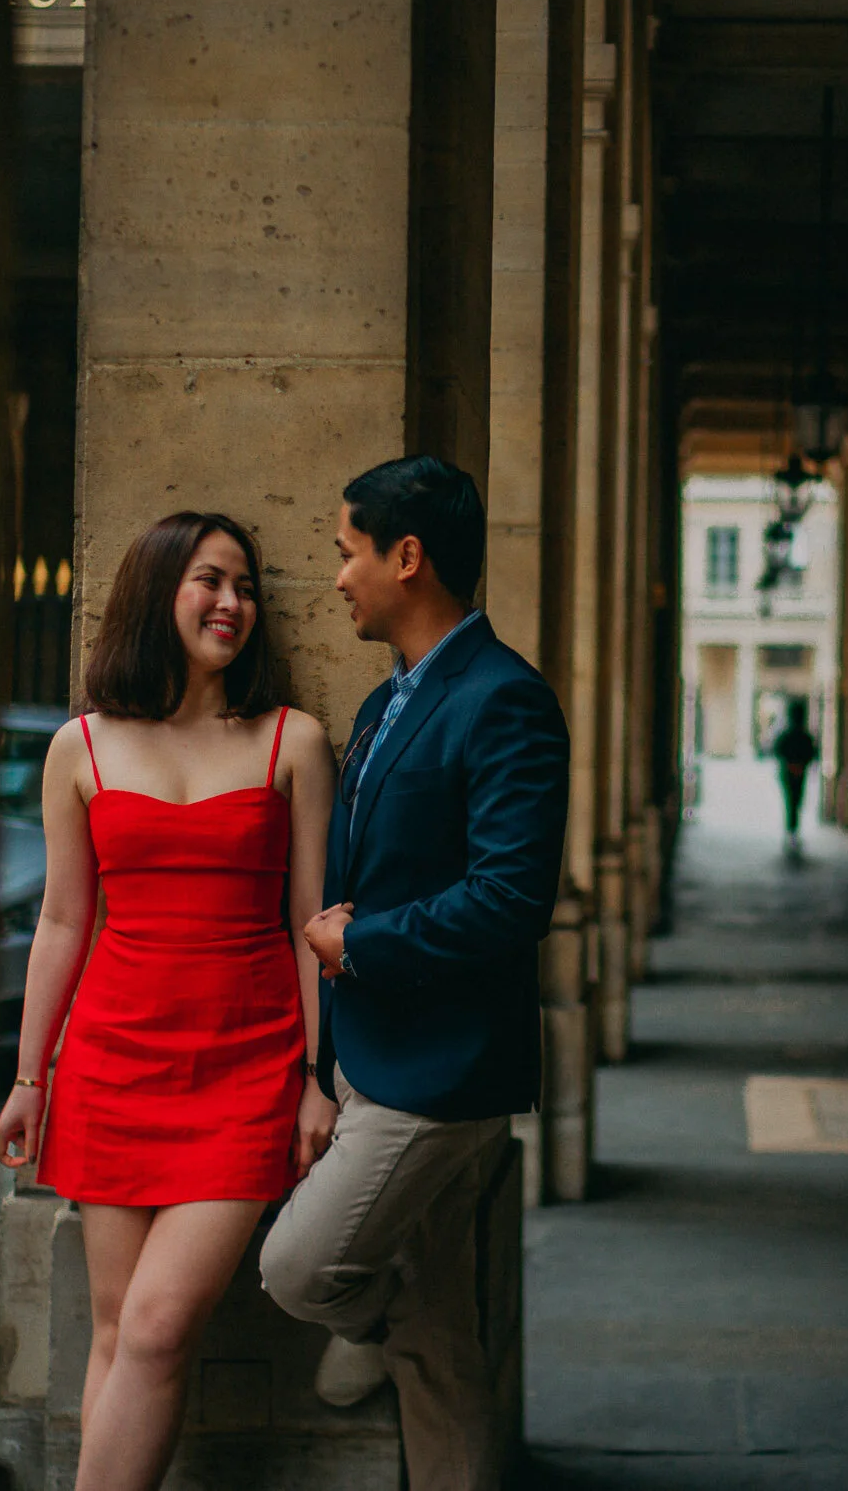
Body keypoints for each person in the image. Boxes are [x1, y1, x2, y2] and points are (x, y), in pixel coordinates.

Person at [0, 513, 339, 1491]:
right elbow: (63, 922)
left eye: (245, 585)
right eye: (208, 579)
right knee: (116, 1329)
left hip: (246, 1070)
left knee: (154, 1326)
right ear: (156, 592)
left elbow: (315, 923)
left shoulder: (293, 741)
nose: (233, 601)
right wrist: (30, 1074)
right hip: (110, 1064)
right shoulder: (81, 748)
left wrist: (318, 1077)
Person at [259, 455, 570, 1491]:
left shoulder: (505, 699)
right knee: (441, 1339)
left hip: (438, 1076)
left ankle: (374, 1324)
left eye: (346, 553)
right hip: (376, 1054)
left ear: (406, 554)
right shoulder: (390, 696)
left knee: (298, 1266)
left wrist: (365, 942)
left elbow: (512, 898)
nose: (335, 578)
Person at [771, 698, 820, 854]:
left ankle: (791, 830)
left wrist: (789, 763)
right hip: (798, 773)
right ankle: (793, 830)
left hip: (788, 773)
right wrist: (801, 764)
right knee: (796, 802)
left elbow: (777, 750)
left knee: (791, 802)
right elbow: (812, 753)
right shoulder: (805, 735)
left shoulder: (787, 734)